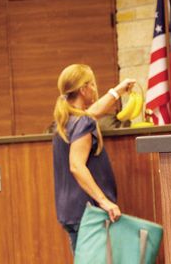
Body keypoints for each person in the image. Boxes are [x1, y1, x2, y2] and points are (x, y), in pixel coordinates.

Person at [52, 64, 135, 253]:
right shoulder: (83, 123)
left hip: (71, 211)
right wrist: (104, 201)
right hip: (88, 212)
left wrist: (117, 91)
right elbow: (76, 166)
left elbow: (93, 111)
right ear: (83, 89)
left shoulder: (66, 121)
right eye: (93, 84)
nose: (95, 90)